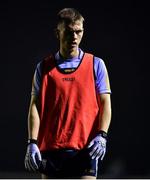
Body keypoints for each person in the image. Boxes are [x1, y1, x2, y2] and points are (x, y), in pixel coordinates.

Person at [24, 8, 112, 179]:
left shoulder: (96, 64)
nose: (74, 37)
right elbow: (35, 106)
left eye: (78, 32)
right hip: (51, 149)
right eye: (69, 32)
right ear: (58, 33)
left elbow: (105, 103)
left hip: (85, 149)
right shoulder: (43, 68)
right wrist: (32, 142)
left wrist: (102, 134)